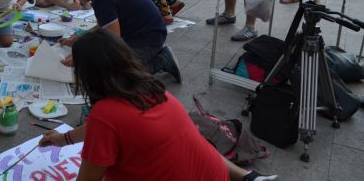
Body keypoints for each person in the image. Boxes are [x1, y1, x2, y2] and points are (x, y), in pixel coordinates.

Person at [39, 30, 278, 181]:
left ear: (88, 74)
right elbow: (107, 127)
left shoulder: (105, 114)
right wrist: (65, 139)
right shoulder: (149, 87)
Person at [58, 0, 181, 83]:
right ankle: (150, 56)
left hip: (149, 38)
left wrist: (81, 58)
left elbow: (112, 41)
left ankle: (162, 60)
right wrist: (79, 38)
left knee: (118, 76)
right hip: (139, 33)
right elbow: (104, 26)